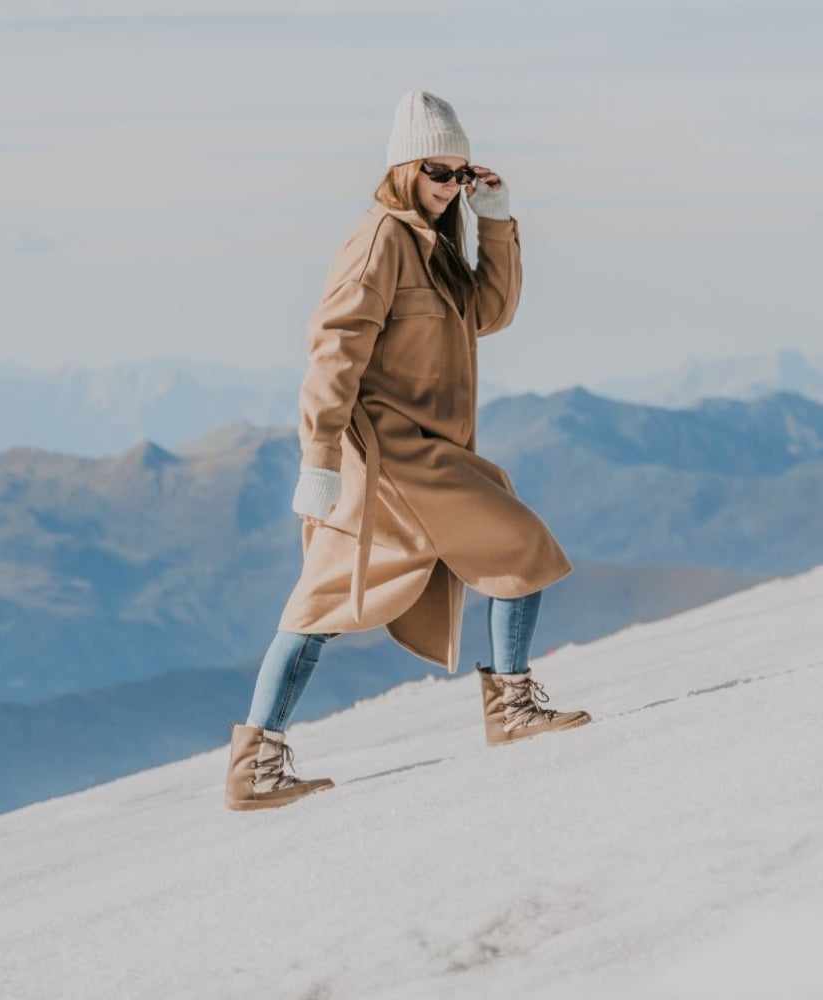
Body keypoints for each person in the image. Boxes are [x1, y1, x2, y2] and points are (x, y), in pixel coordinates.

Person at [225, 89, 590, 812]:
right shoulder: (380, 239)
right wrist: (318, 458)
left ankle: (256, 765)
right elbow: (332, 350)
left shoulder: (435, 241)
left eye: (461, 173)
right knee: (517, 544)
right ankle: (509, 709)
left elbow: (489, 313)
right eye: (436, 170)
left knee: (327, 599)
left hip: (424, 451)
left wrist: (496, 224)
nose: (449, 185)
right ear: (402, 168)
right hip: (391, 454)